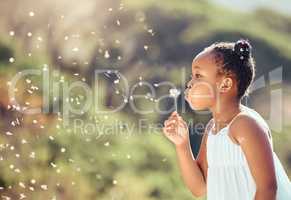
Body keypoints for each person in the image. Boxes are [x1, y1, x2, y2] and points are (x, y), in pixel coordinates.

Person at [163, 39, 291, 200]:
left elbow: (267, 189)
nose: (190, 83)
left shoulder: (245, 124)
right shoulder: (213, 129)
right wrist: (182, 144)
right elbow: (199, 188)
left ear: (225, 84)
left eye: (198, 76)